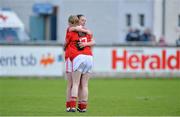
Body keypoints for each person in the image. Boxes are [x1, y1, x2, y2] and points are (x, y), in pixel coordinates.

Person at [64, 15, 94, 112]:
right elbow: (92, 39)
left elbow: (66, 43)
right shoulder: (87, 32)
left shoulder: (71, 31)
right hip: (89, 57)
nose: (84, 22)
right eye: (82, 20)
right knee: (84, 85)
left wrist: (65, 46)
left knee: (73, 84)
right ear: (78, 21)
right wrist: (86, 39)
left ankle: (71, 106)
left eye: (85, 20)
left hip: (76, 57)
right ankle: (82, 107)